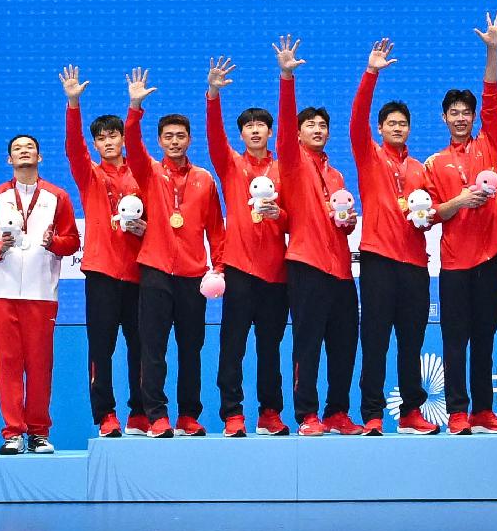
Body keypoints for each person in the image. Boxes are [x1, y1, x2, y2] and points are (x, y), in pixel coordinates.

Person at [426, 17, 497, 432]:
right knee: (454, 340)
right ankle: (458, 411)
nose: (461, 118)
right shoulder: (434, 163)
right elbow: (430, 215)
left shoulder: (489, 142)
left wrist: (492, 51)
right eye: (454, 113)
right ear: (444, 118)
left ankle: (483, 411)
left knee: (485, 337)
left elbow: (493, 96)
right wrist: (458, 201)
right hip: (454, 263)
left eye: (467, 113)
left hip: (492, 256)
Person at [123, 92, 225, 437]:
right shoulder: (148, 172)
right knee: (153, 349)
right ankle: (156, 416)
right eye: (168, 136)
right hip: (155, 271)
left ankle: (188, 416)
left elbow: (216, 228)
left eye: (181, 135)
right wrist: (135, 108)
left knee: (191, 350)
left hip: (193, 275)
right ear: (159, 140)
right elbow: (132, 144)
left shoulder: (204, 179)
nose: (175, 141)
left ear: (189, 139)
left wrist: (219, 267)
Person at [273, 42, 362, 435]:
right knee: (307, 343)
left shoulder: (338, 174)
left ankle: (338, 411)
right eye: (310, 125)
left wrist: (348, 222)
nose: (318, 130)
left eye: (323, 125)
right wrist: (287, 77)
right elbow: (288, 119)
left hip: (341, 269)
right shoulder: (291, 162)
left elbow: (339, 220)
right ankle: (307, 414)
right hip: (306, 264)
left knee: (343, 344)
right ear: (297, 133)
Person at [205, 59, 295, 436]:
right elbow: (212, 135)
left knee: (271, 349)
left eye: (261, 125)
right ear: (240, 134)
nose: (255, 130)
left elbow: (294, 221)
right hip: (239, 270)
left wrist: (279, 215)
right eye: (248, 127)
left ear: (271, 132)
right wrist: (213, 94)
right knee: (233, 346)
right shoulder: (230, 165)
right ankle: (232, 414)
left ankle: (270, 414)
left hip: (276, 271)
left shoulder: (286, 168)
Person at [348, 40, 433, 435]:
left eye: (403, 123)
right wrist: (372, 73)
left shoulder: (421, 169)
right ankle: (372, 414)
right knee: (376, 341)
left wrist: (429, 216)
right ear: (380, 129)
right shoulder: (369, 155)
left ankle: (412, 412)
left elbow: (429, 215)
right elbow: (357, 117)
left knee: (411, 343)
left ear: (410, 129)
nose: (397, 127)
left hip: (416, 264)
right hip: (379, 260)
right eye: (390, 123)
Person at [59, 76, 146, 439]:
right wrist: (73, 104)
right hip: (101, 273)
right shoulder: (89, 174)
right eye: (102, 138)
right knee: (102, 349)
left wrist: (134, 107)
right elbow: (72, 148)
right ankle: (106, 415)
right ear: (95, 144)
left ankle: (141, 413)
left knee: (142, 347)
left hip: (141, 273)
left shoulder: (142, 171)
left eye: (114, 136)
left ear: (123, 139)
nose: (108, 142)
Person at [0, 132, 79, 452]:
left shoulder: (57, 197)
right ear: (9, 160)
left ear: (39, 158)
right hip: (4, 292)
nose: (24, 153)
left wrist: (54, 243)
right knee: (8, 363)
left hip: (41, 292)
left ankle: (39, 432)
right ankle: (12, 432)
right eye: (17, 149)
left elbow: (72, 242)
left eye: (30, 149)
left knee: (39, 364)